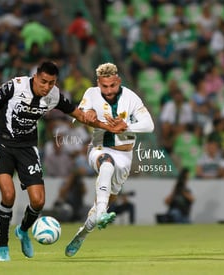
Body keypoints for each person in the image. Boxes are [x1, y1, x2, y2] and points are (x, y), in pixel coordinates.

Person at [0, 61, 126, 262]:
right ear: (36, 77)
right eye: (44, 82)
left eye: (51, 83)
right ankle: (3, 246)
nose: (46, 87)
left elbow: (80, 115)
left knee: (38, 201)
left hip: (27, 148)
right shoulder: (16, 86)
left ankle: (22, 231)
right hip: (2, 144)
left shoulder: (53, 95)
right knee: (9, 194)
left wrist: (107, 126)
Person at [65, 62, 154, 257]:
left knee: (101, 205)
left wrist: (127, 126)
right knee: (106, 164)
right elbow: (80, 114)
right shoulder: (91, 93)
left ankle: (84, 232)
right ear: (99, 83)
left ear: (118, 81)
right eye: (104, 86)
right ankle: (102, 214)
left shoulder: (131, 97)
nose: (108, 90)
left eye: (112, 86)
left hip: (125, 156)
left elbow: (149, 125)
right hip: (99, 148)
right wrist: (87, 114)